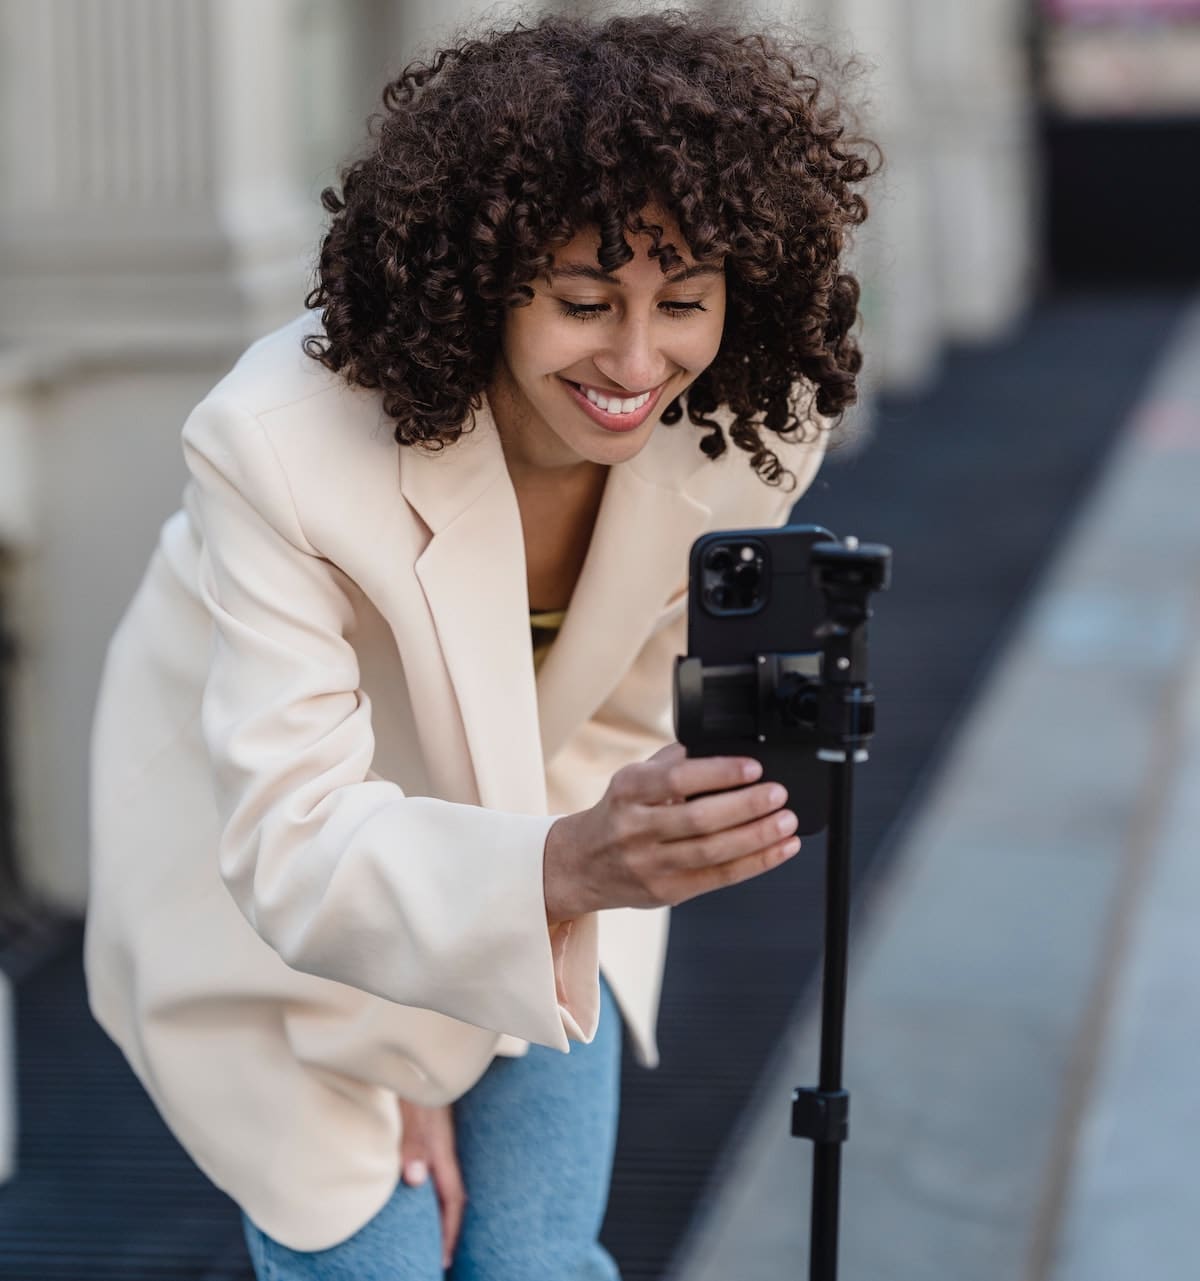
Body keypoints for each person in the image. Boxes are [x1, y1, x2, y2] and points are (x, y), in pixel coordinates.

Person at [84, 9, 874, 1279]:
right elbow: (292, 836)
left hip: (536, 849)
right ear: (479, 281)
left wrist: (478, 979)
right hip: (258, 860)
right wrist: (406, 1035)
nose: (636, 359)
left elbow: (607, 725)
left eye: (683, 300)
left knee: (537, 1262)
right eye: (581, 302)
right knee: (372, 1257)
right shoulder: (277, 443)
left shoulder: (745, 430)